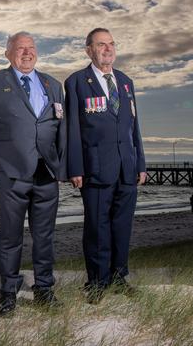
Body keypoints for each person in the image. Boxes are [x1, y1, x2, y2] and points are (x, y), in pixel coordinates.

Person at [0, 32, 67, 316]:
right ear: (8, 53)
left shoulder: (53, 84)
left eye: (31, 48)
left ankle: (44, 288)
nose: (27, 53)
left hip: (47, 172)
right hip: (11, 173)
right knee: (10, 235)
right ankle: (8, 291)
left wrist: (62, 166)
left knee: (45, 235)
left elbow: (61, 128)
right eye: (20, 48)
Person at [65, 28, 146, 304]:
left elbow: (134, 127)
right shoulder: (76, 82)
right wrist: (75, 168)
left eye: (111, 44)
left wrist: (141, 164)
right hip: (95, 169)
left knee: (122, 226)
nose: (108, 49)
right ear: (89, 50)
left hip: (127, 167)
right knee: (97, 228)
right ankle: (97, 282)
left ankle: (119, 277)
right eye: (101, 45)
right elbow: (72, 130)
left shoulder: (125, 81)